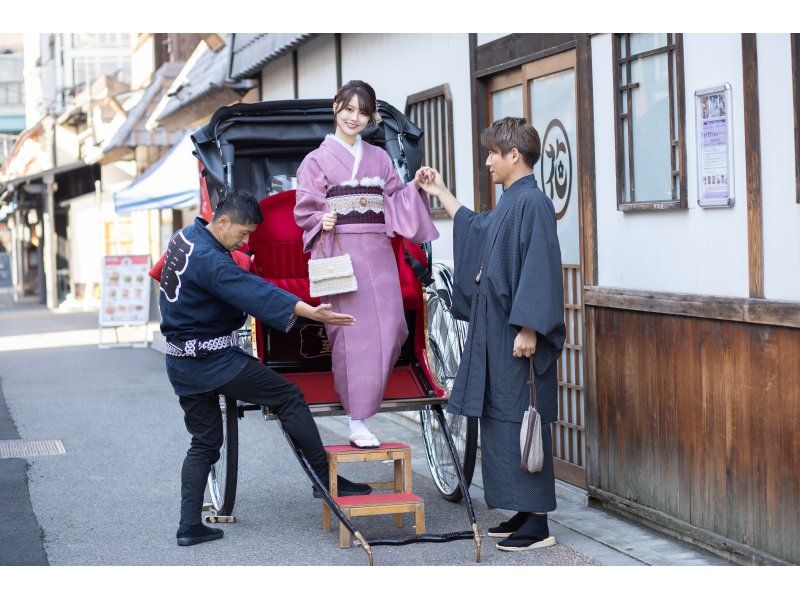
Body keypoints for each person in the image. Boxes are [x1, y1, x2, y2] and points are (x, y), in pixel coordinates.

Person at [159, 188, 371, 547]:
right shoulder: (213, 261)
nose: (245, 241)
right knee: (288, 396)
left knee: (205, 443)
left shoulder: (185, 237)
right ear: (222, 221)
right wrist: (310, 310)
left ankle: (188, 526)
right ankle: (325, 481)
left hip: (181, 361)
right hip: (213, 360)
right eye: (242, 233)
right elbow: (255, 291)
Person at [419, 117, 566, 552]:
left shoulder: (533, 203)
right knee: (502, 420)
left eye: (491, 154)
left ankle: (537, 523)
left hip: (518, 336)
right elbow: (476, 228)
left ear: (513, 155)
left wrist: (528, 327)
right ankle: (522, 510)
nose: (487, 162)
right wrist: (441, 192)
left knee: (523, 418)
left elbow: (541, 266)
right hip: (498, 335)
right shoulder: (511, 203)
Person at [294, 80, 439, 448]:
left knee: (393, 327)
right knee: (352, 336)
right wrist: (319, 219)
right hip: (339, 251)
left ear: (370, 116)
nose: (354, 117)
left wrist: (416, 187)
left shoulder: (379, 158)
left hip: (377, 252)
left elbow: (393, 201)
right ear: (335, 108)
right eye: (348, 109)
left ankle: (366, 402)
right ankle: (356, 419)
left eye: (362, 111)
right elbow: (305, 208)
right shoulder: (316, 160)